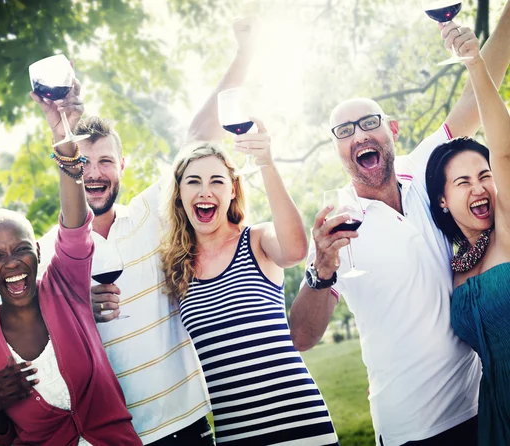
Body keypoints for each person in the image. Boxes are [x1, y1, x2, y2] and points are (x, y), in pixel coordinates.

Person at [289, 7, 510, 446]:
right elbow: (303, 335)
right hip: (410, 427)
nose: (358, 135)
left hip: (480, 404)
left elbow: (479, 94)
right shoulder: (338, 225)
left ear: (391, 130)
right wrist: (321, 270)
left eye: (369, 123)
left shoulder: (430, 170)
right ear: (337, 149)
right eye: (344, 130)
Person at [36, 19, 258, 446]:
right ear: (68, 167)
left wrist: (244, 54)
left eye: (105, 161)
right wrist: (83, 307)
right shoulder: (52, 247)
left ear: (123, 166)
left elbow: (198, 135)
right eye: (83, 163)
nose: (94, 174)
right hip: (114, 437)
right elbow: (45, 331)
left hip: (187, 423)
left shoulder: (150, 214)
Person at [0, 75, 141, 445]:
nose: (12, 263)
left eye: (21, 249)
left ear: (39, 251)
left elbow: (75, 224)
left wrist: (63, 139)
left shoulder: (65, 287)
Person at [159, 134, 338, 445]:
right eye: (193, 182)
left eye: (217, 181)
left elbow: (295, 251)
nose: (205, 191)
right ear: (179, 194)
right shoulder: (177, 267)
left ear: (232, 190)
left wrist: (266, 162)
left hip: (301, 426)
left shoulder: (256, 239)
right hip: (235, 435)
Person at [425, 40, 510, 445]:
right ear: (443, 200)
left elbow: (506, 152)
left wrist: (475, 64)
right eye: (463, 182)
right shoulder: (453, 264)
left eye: (485, 175)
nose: (479, 187)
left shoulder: (508, 226)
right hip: (495, 412)